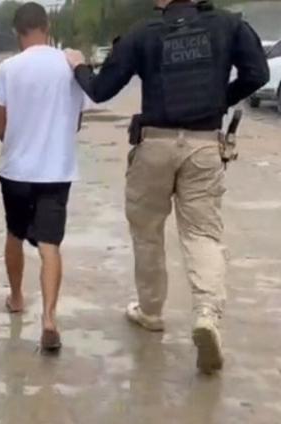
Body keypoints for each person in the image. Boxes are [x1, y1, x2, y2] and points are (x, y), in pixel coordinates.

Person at [65, 0, 269, 373]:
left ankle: (151, 311)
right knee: (202, 234)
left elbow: (101, 90)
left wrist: (78, 65)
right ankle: (206, 313)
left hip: (154, 144)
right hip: (204, 145)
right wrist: (218, 100)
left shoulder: (142, 34)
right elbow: (257, 74)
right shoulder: (229, 25)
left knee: (147, 233)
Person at [0, 2, 87, 352]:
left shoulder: (7, 68)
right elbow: (76, 121)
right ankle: (48, 318)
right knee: (50, 245)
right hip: (56, 170)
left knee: (15, 234)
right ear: (47, 27)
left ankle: (17, 297)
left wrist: (20, 142)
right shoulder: (70, 65)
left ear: (17, 32)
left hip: (16, 171)